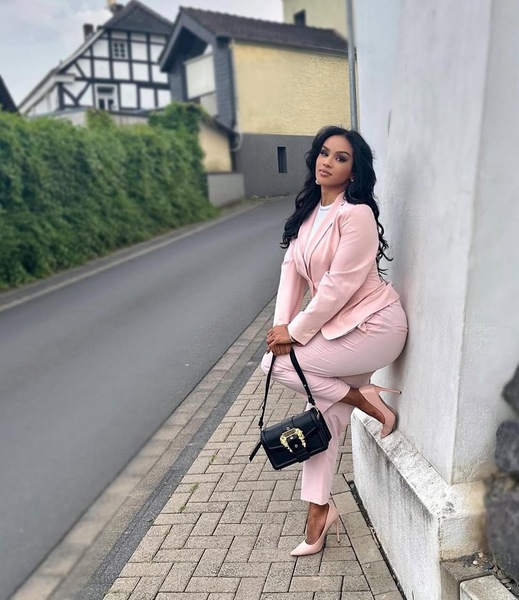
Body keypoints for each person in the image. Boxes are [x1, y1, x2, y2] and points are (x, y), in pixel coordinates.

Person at [261, 125, 408, 557]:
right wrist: (280, 329)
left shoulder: (355, 214)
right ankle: (318, 512)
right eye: (324, 153)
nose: (328, 162)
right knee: (323, 416)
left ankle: (365, 400)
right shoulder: (308, 213)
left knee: (276, 366)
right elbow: (290, 276)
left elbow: (339, 287)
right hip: (340, 332)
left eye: (341, 158)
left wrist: (296, 333)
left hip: (376, 327)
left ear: (353, 171)